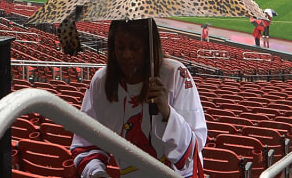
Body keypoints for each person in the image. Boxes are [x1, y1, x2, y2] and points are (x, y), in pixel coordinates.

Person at [72, 19, 207, 178]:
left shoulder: (176, 74)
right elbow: (86, 142)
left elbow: (192, 152)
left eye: (135, 47)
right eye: (120, 47)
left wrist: (167, 113)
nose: (126, 55)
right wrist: (96, 173)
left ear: (149, 48)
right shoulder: (101, 81)